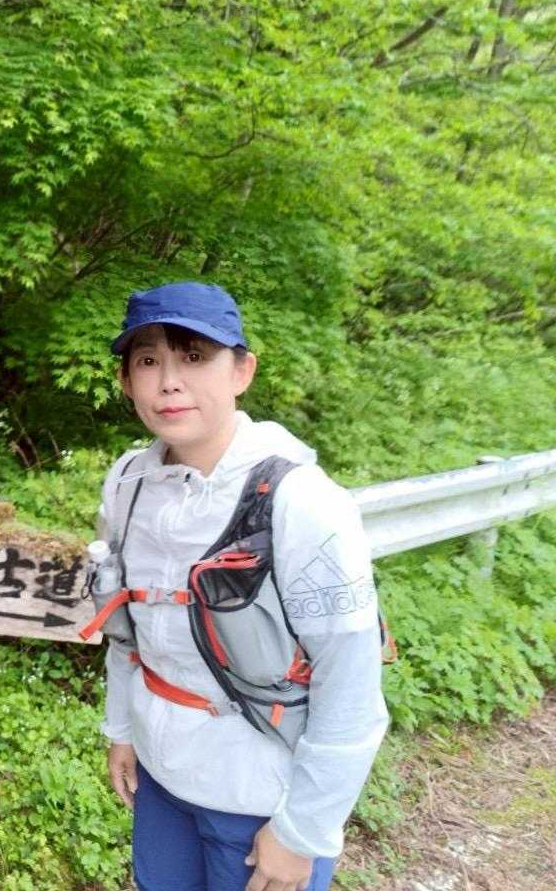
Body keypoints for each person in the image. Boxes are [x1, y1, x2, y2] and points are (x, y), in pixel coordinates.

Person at [96, 282, 389, 891]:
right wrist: (122, 730)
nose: (169, 382)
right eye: (148, 361)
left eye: (194, 357)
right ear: (126, 380)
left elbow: (350, 680)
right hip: (161, 777)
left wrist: (302, 832)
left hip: (262, 795)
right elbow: (128, 630)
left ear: (242, 371)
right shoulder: (128, 484)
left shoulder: (301, 500)